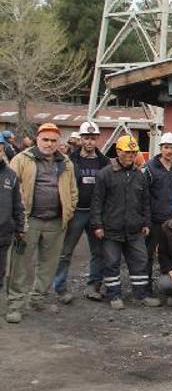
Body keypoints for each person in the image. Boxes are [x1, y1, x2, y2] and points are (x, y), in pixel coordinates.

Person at [5, 123, 78, 324]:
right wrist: (17, 220)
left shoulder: (66, 163)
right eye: (45, 139)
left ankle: (37, 299)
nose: (49, 144)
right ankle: (15, 304)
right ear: (37, 139)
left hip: (55, 222)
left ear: (59, 142)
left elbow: (73, 191)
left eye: (54, 140)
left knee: (48, 264)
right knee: (20, 264)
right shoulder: (21, 160)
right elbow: (8, 189)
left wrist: (68, 211)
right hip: (29, 221)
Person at [90, 135, 161, 310]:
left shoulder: (140, 175)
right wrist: (97, 225)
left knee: (140, 261)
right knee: (112, 262)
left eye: (133, 152)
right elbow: (97, 203)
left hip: (135, 230)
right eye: (127, 152)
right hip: (111, 230)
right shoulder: (105, 175)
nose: (131, 155)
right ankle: (114, 295)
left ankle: (141, 294)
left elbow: (145, 202)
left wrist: (146, 223)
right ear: (118, 151)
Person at [53, 121, 110, 303]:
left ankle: (93, 286)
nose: (89, 142)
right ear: (81, 139)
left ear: (97, 139)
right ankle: (60, 287)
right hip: (76, 212)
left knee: (98, 252)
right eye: (86, 138)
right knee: (66, 251)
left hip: (96, 213)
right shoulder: (69, 161)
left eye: (93, 138)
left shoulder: (104, 162)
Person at [144, 132, 172, 295]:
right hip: (154, 220)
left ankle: (171, 287)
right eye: (166, 147)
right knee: (148, 255)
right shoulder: (150, 167)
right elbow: (143, 194)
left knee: (171, 254)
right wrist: (145, 220)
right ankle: (145, 287)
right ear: (161, 148)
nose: (169, 151)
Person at [0, 133, 24, 294]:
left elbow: (17, 204)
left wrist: (20, 227)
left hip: (3, 233)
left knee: (1, 271)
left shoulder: (10, 175)